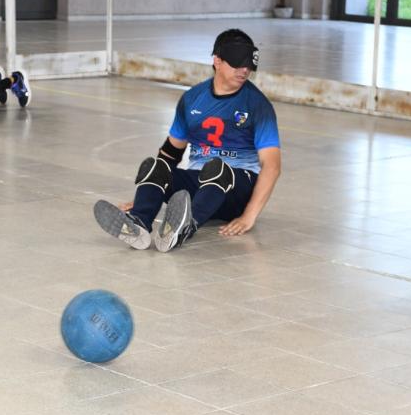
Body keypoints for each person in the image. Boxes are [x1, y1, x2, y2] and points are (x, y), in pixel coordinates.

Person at [93, 29, 281, 252]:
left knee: (217, 168)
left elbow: (272, 166)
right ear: (217, 61)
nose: (244, 70)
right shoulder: (192, 98)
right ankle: (138, 224)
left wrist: (249, 216)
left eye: (248, 65)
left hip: (237, 190)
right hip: (201, 185)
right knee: (154, 166)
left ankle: (184, 230)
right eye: (237, 64)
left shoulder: (258, 105)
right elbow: (171, 151)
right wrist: (150, 195)